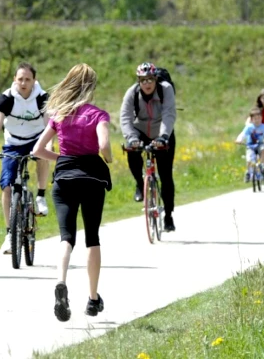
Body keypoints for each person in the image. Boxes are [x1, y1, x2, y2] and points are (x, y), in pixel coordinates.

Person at [32, 63, 112, 322]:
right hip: (91, 179)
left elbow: (37, 150)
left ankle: (61, 281)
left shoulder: (60, 115)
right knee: (92, 237)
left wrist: (62, 158)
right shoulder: (98, 115)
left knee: (66, 237)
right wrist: (108, 158)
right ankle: (92, 298)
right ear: (91, 87)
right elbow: (104, 145)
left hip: (64, 179)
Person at [0, 62, 51, 255]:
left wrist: (48, 145)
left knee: (43, 155)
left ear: (34, 81)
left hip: (36, 139)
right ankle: (9, 234)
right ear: (15, 79)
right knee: (6, 186)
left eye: (27, 79)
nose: (23, 83)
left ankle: (40, 195)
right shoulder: (6, 98)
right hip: (13, 142)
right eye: (20, 79)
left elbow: (50, 125)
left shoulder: (42, 97)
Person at [120, 62, 177, 231]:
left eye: (150, 79)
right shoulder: (132, 93)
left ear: (156, 79)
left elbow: (169, 114)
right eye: (143, 80)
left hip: (162, 132)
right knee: (132, 152)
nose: (147, 83)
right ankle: (140, 183)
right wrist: (131, 138)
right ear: (139, 81)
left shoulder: (166, 89)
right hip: (141, 131)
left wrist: (164, 136)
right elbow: (125, 117)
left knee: (166, 176)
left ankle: (168, 216)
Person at [236, 108, 264, 182]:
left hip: (260, 145)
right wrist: (239, 139)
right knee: (249, 159)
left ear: (261, 118)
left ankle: (263, 165)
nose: (257, 120)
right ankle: (248, 172)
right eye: (255, 119)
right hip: (250, 146)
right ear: (251, 120)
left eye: (259, 118)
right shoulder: (249, 127)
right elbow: (243, 134)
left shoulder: (263, 127)